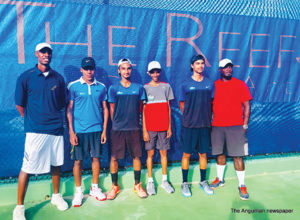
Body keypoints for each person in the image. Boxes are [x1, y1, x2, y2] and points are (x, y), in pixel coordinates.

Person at [13, 43, 68, 220]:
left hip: (56, 130)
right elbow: (19, 105)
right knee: (27, 168)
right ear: (36, 54)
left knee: (56, 164)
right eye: (43, 52)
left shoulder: (58, 78)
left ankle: (56, 196)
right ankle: (19, 207)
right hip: (35, 130)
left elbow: (61, 104)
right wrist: (33, 119)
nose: (46, 55)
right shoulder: (25, 77)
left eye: (49, 52)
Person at [67, 57, 109, 207]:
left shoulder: (102, 87)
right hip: (79, 131)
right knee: (77, 161)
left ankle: (94, 188)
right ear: (81, 70)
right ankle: (78, 191)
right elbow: (69, 110)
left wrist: (104, 130)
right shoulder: (73, 87)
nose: (89, 71)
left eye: (91, 68)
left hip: (97, 130)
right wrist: (71, 132)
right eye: (86, 68)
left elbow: (105, 109)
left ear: (94, 69)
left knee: (96, 159)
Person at [210, 58, 252, 200]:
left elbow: (247, 105)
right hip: (217, 126)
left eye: (230, 67)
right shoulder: (214, 86)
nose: (228, 69)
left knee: (237, 156)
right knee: (220, 154)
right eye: (225, 67)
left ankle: (242, 185)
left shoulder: (240, 85)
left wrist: (245, 124)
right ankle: (220, 179)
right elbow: (209, 106)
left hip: (236, 126)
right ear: (220, 70)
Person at [107, 58, 147, 199]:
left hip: (134, 128)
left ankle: (137, 185)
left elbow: (142, 109)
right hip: (118, 129)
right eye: (123, 68)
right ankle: (114, 187)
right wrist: (118, 124)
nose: (126, 71)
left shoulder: (138, 88)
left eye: (128, 68)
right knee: (114, 158)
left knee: (136, 156)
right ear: (119, 70)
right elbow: (112, 109)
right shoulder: (113, 88)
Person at [179, 54, 214, 197]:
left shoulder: (209, 83)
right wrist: (190, 116)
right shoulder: (185, 84)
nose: (200, 66)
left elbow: (211, 102)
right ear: (192, 66)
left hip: (204, 125)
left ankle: (203, 181)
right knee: (186, 154)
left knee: (203, 154)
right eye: (197, 63)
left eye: (202, 63)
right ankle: (185, 183)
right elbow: (182, 104)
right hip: (189, 126)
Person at [143, 61, 175, 195]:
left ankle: (164, 180)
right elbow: (143, 111)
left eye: (157, 71)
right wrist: (144, 130)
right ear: (148, 73)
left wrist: (169, 127)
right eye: (152, 72)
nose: (155, 74)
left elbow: (168, 108)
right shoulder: (144, 88)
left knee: (163, 154)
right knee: (150, 154)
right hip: (150, 129)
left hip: (163, 128)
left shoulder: (166, 87)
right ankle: (150, 181)